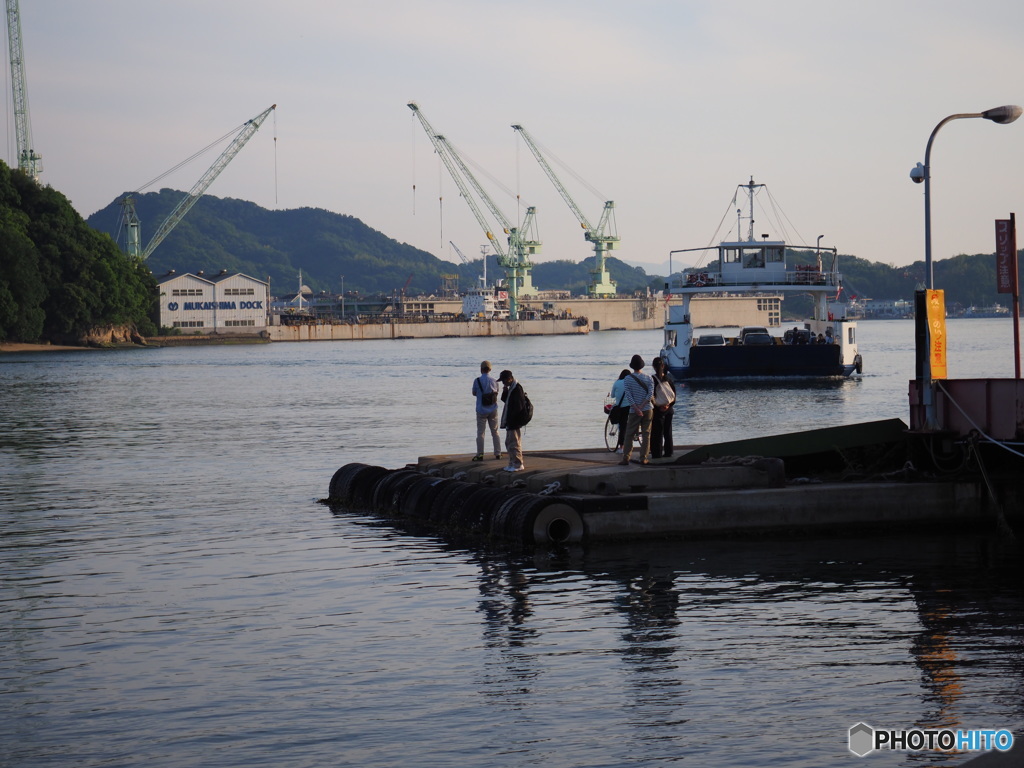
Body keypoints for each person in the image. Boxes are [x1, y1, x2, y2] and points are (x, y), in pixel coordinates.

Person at [619, 354, 654, 466]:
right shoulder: (649, 378)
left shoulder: (627, 379)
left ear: (632, 366)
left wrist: (636, 408)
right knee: (646, 434)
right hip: (647, 409)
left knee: (629, 434)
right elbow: (650, 394)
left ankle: (626, 458)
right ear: (642, 366)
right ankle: (644, 457)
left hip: (634, 411)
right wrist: (642, 406)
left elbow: (628, 395)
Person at [497, 369, 528, 472]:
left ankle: (518, 464)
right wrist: (505, 391)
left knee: (514, 443)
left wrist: (512, 420)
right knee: (509, 443)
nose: (503, 383)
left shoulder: (517, 389)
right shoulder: (511, 389)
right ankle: (512, 463)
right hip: (510, 421)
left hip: (514, 421)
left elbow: (518, 407)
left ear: (509, 379)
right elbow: (506, 400)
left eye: (504, 380)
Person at [471, 360, 501, 461]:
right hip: (493, 409)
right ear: (490, 369)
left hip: (481, 409)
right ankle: (498, 453)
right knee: (495, 432)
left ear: (481, 369)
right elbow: (497, 392)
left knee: (481, 433)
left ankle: (480, 454)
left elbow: (474, 393)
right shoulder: (494, 381)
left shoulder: (477, 381)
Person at [650, 357, 676, 459]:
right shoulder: (668, 379)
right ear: (663, 366)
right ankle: (669, 452)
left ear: (653, 367)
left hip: (658, 410)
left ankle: (657, 454)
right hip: (669, 410)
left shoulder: (652, 380)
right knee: (668, 432)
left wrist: (659, 406)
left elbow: (651, 396)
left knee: (657, 433)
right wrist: (668, 405)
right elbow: (673, 395)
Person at [608, 369, 631, 453]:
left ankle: (622, 447)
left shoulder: (617, 383)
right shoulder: (631, 383)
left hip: (620, 407)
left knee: (622, 426)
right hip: (631, 407)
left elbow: (613, 396)